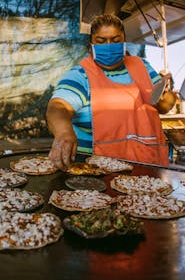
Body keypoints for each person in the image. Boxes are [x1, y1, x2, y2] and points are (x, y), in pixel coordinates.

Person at [46, 14, 176, 169]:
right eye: (101, 41)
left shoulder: (143, 67)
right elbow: (58, 107)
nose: (108, 45)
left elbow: (165, 106)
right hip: (95, 170)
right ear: (91, 44)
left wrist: (164, 94)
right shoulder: (81, 74)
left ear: (124, 41)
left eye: (115, 40)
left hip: (146, 165)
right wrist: (63, 132)